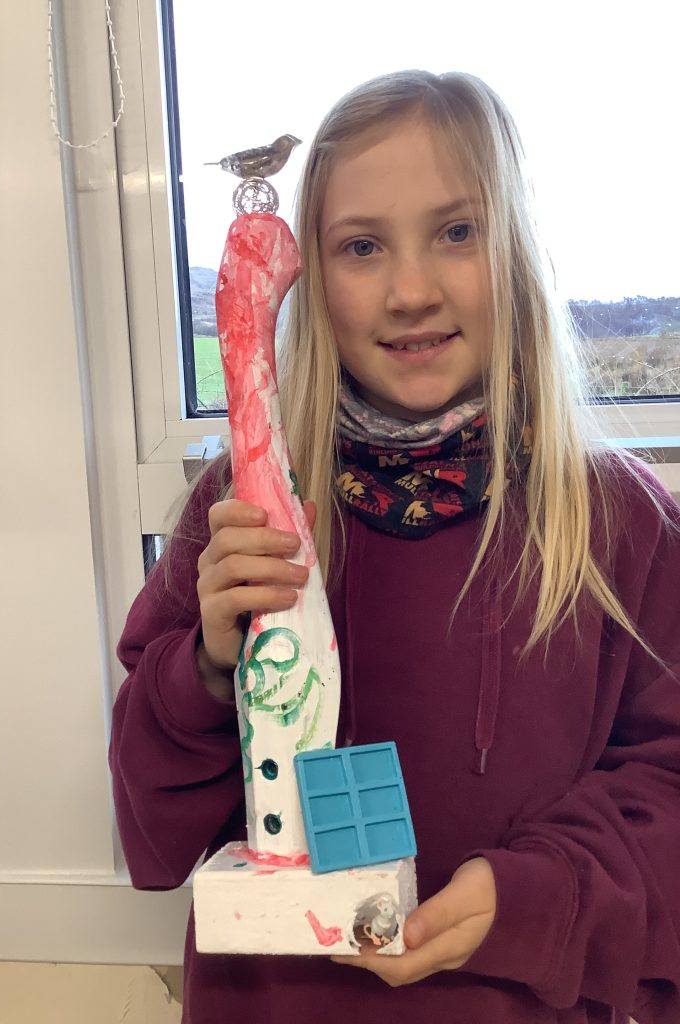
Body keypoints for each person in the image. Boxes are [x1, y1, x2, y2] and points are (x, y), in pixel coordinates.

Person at [109, 70, 680, 1023]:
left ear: (515, 251)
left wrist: (534, 893)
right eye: (362, 247)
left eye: (456, 232)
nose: (412, 292)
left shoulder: (618, 523)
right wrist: (204, 667)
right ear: (313, 278)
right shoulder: (239, 513)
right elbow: (151, 823)